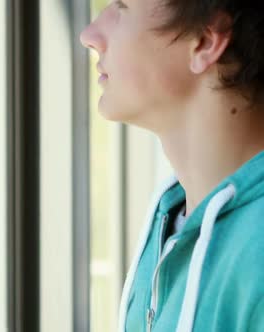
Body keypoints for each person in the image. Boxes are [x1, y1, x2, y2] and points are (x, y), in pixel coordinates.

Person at [80, 0, 264, 331]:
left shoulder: (256, 255)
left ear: (206, 41)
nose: (89, 34)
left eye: (121, 6)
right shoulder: (171, 217)